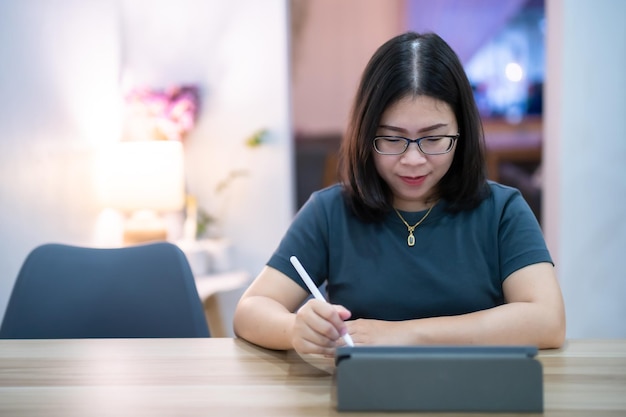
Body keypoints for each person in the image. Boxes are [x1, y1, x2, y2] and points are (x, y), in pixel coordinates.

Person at [233, 32, 565, 356]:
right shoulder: (330, 212)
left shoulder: (502, 211)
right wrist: (296, 330)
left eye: (433, 139)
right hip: (362, 401)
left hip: (476, 398)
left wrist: (401, 334)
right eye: (392, 139)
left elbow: (547, 321)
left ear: (460, 133)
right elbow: (250, 310)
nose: (413, 160)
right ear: (365, 135)